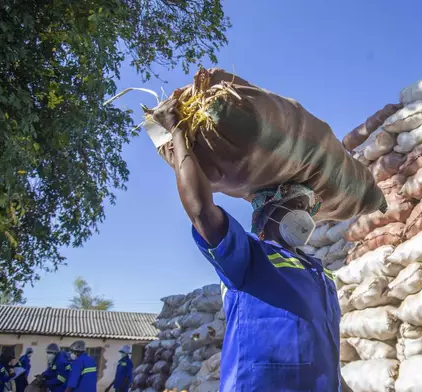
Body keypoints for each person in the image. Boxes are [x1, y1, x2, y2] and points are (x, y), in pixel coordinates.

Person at [151, 99, 352, 392]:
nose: (306, 216)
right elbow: (202, 212)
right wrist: (178, 132)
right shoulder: (247, 258)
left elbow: (325, 357)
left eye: (309, 209)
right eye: (297, 205)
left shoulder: (319, 273)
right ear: (269, 209)